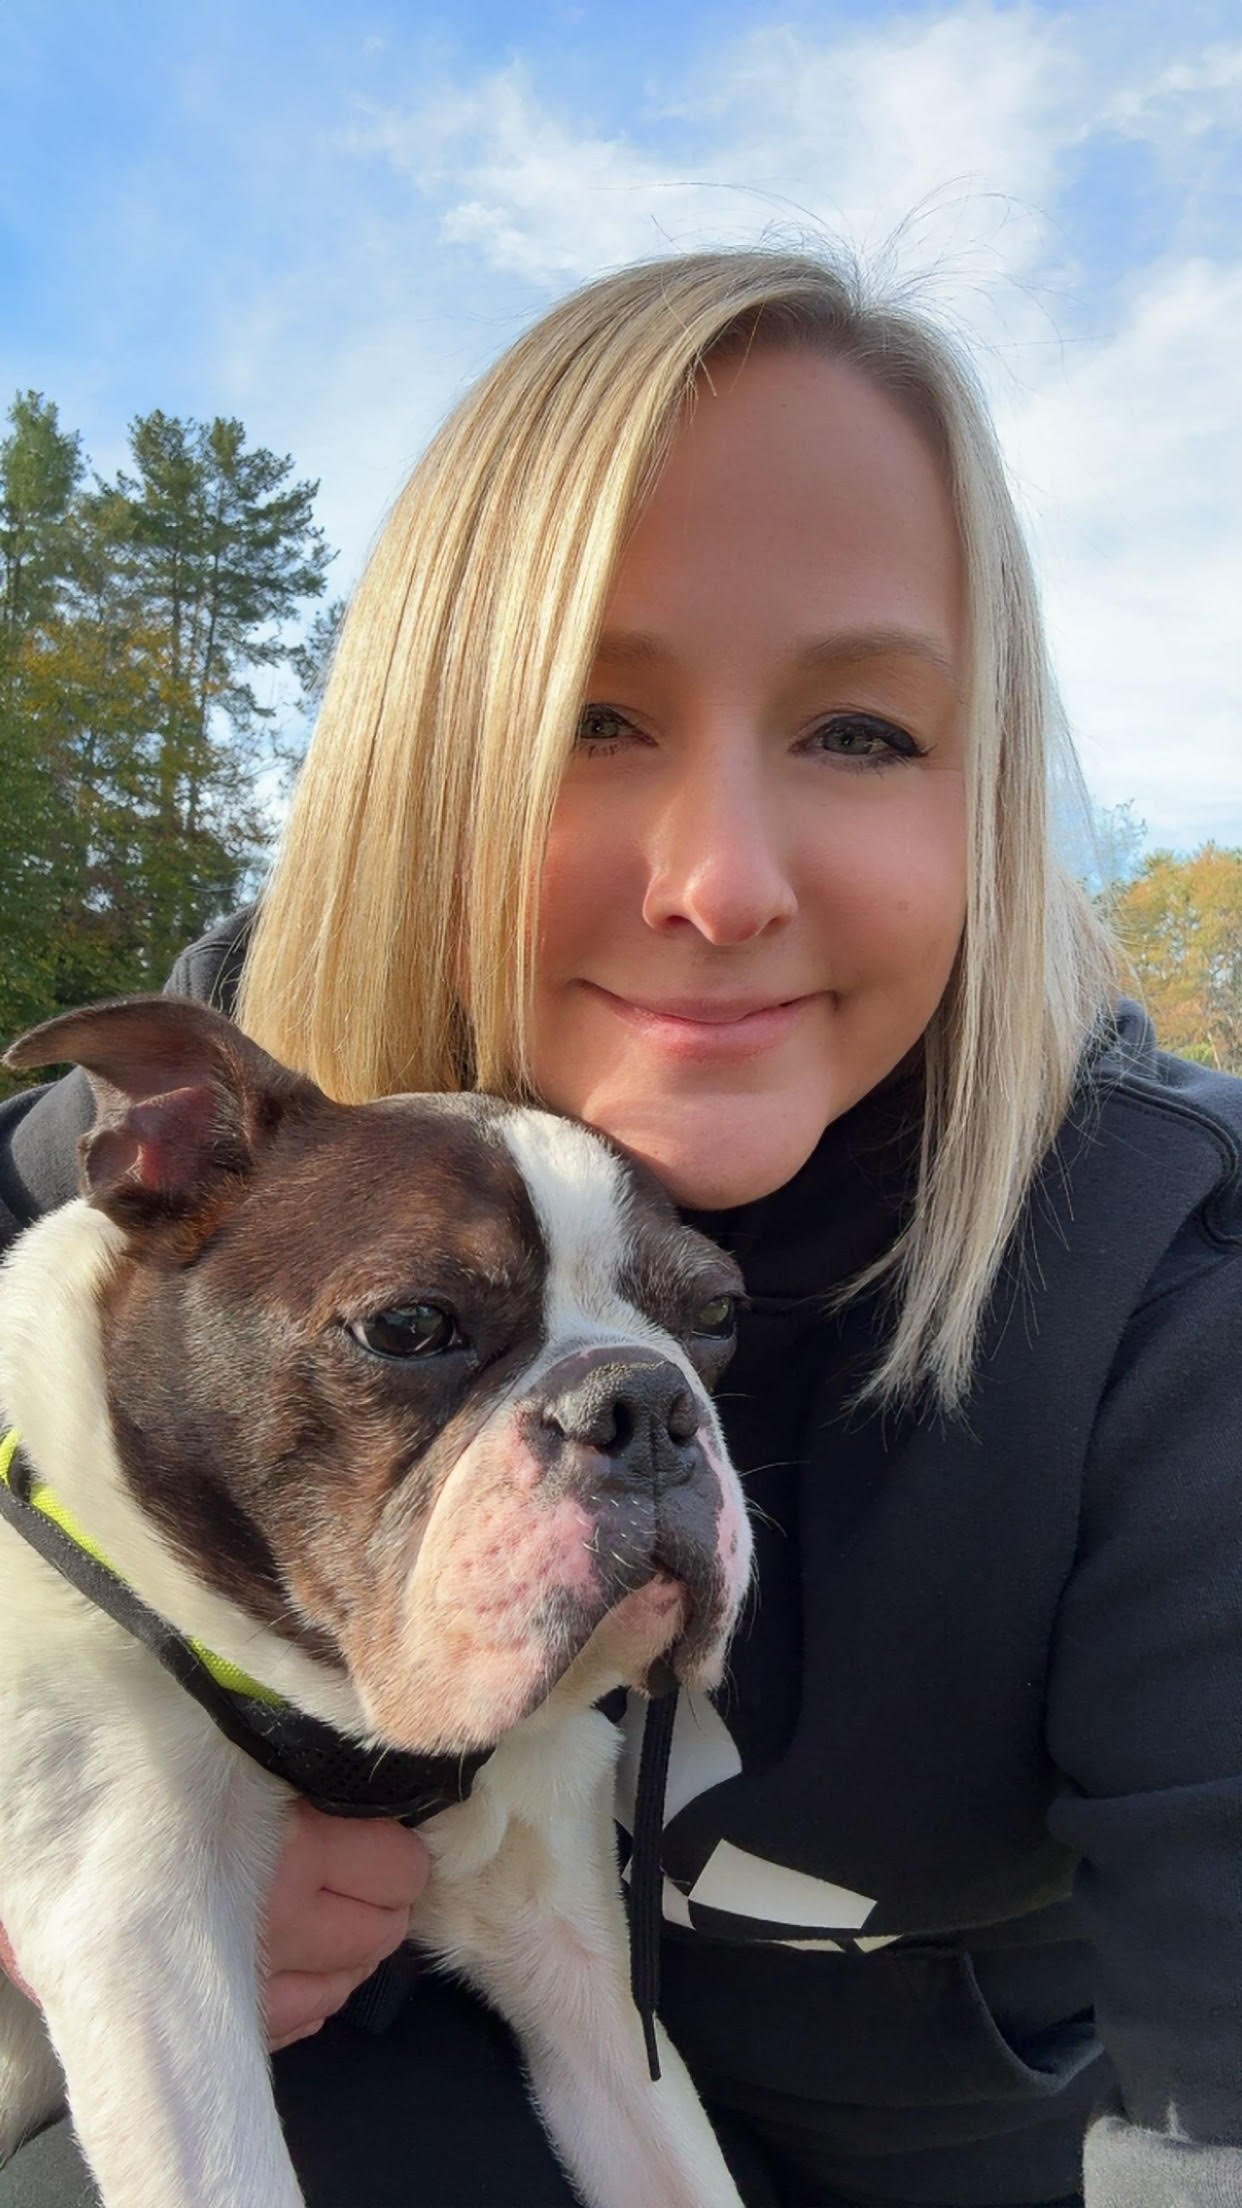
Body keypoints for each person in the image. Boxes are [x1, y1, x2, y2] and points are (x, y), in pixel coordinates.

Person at [0, 247, 1239, 2208]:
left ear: (990, 798)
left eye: (859, 731)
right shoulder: (191, 1150)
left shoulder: (1172, 1287)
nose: (722, 880)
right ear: (413, 764)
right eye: (592, 718)